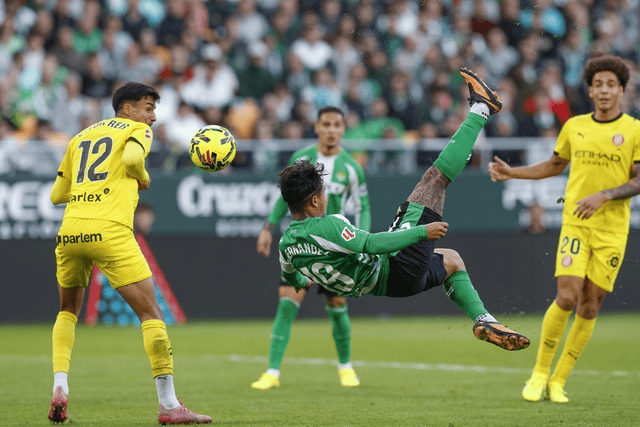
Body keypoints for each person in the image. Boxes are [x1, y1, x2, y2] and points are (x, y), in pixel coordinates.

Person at [272, 69, 530, 380]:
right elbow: (371, 244)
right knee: (434, 180)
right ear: (314, 202)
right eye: (323, 193)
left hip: (394, 286)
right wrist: (422, 231)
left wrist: (309, 275)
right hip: (395, 266)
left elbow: (293, 280)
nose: (326, 198)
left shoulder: (286, 245)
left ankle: (483, 319)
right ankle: (481, 108)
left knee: (451, 261)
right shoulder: (328, 225)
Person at [48, 82, 211, 424]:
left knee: (67, 311)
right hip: (110, 231)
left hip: (71, 230)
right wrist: (141, 177)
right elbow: (134, 158)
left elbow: (56, 195)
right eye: (148, 108)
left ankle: (60, 386)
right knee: (152, 314)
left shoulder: (79, 138)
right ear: (127, 109)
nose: (153, 117)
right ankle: (169, 405)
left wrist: (93, 187)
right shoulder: (136, 130)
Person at [489, 54, 640, 403]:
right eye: (598, 84)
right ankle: (539, 373)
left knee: (590, 306)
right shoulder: (574, 126)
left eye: (611, 85)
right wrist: (513, 173)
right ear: (590, 91)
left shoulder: (634, 129)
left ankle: (558, 380)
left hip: (612, 230)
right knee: (568, 296)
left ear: (621, 90)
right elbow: (555, 165)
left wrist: (605, 195)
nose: (605, 90)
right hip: (576, 223)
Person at [252, 106, 372, 390]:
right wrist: (268, 228)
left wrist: (363, 242)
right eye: (326, 124)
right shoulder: (301, 159)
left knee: (337, 304)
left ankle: (345, 367)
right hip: (303, 244)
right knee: (287, 302)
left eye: (336, 125)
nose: (331, 130)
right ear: (317, 127)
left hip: (335, 249)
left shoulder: (352, 168)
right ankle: (272, 372)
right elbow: (285, 197)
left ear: (343, 129)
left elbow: (363, 207)